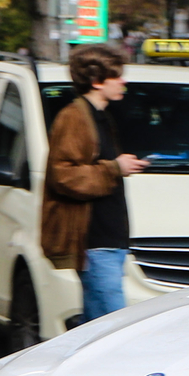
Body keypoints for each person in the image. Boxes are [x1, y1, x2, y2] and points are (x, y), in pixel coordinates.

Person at [44, 45, 147, 322]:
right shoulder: (75, 117)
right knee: (111, 327)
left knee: (96, 327)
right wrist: (115, 167)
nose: (123, 82)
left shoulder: (99, 116)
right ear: (97, 81)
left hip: (108, 242)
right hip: (95, 241)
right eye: (117, 76)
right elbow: (63, 175)